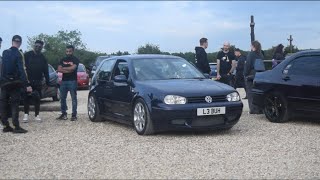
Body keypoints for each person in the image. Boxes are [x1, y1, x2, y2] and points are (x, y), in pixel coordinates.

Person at [0, 35, 32, 133]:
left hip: (4, 82)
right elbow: (21, 69)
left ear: (12, 41)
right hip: (15, 83)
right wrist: (26, 84)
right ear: (20, 43)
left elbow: (2, 68)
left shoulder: (5, 52)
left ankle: (6, 125)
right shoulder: (19, 54)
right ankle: (16, 126)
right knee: (14, 104)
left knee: (3, 103)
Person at [22, 40, 50, 122]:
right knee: (26, 98)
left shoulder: (43, 57)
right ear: (34, 46)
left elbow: (46, 71)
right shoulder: (27, 55)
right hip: (28, 81)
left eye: (40, 46)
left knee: (37, 98)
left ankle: (37, 115)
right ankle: (26, 115)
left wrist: (48, 81)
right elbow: (23, 68)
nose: (38, 47)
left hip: (38, 81)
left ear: (42, 47)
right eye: (36, 46)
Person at [56, 45, 79, 121]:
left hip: (72, 81)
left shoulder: (75, 59)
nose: (68, 53)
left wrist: (64, 68)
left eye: (70, 51)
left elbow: (73, 68)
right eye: (67, 51)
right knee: (62, 98)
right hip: (64, 81)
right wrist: (68, 69)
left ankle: (74, 115)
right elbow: (59, 69)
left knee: (73, 99)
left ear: (73, 51)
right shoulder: (62, 59)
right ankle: (64, 114)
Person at [244, 40, 264, 114]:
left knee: (250, 92)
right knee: (258, 92)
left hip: (251, 75)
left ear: (253, 46)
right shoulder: (261, 54)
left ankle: (253, 109)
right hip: (259, 75)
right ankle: (260, 108)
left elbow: (248, 65)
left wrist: (245, 74)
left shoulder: (251, 54)